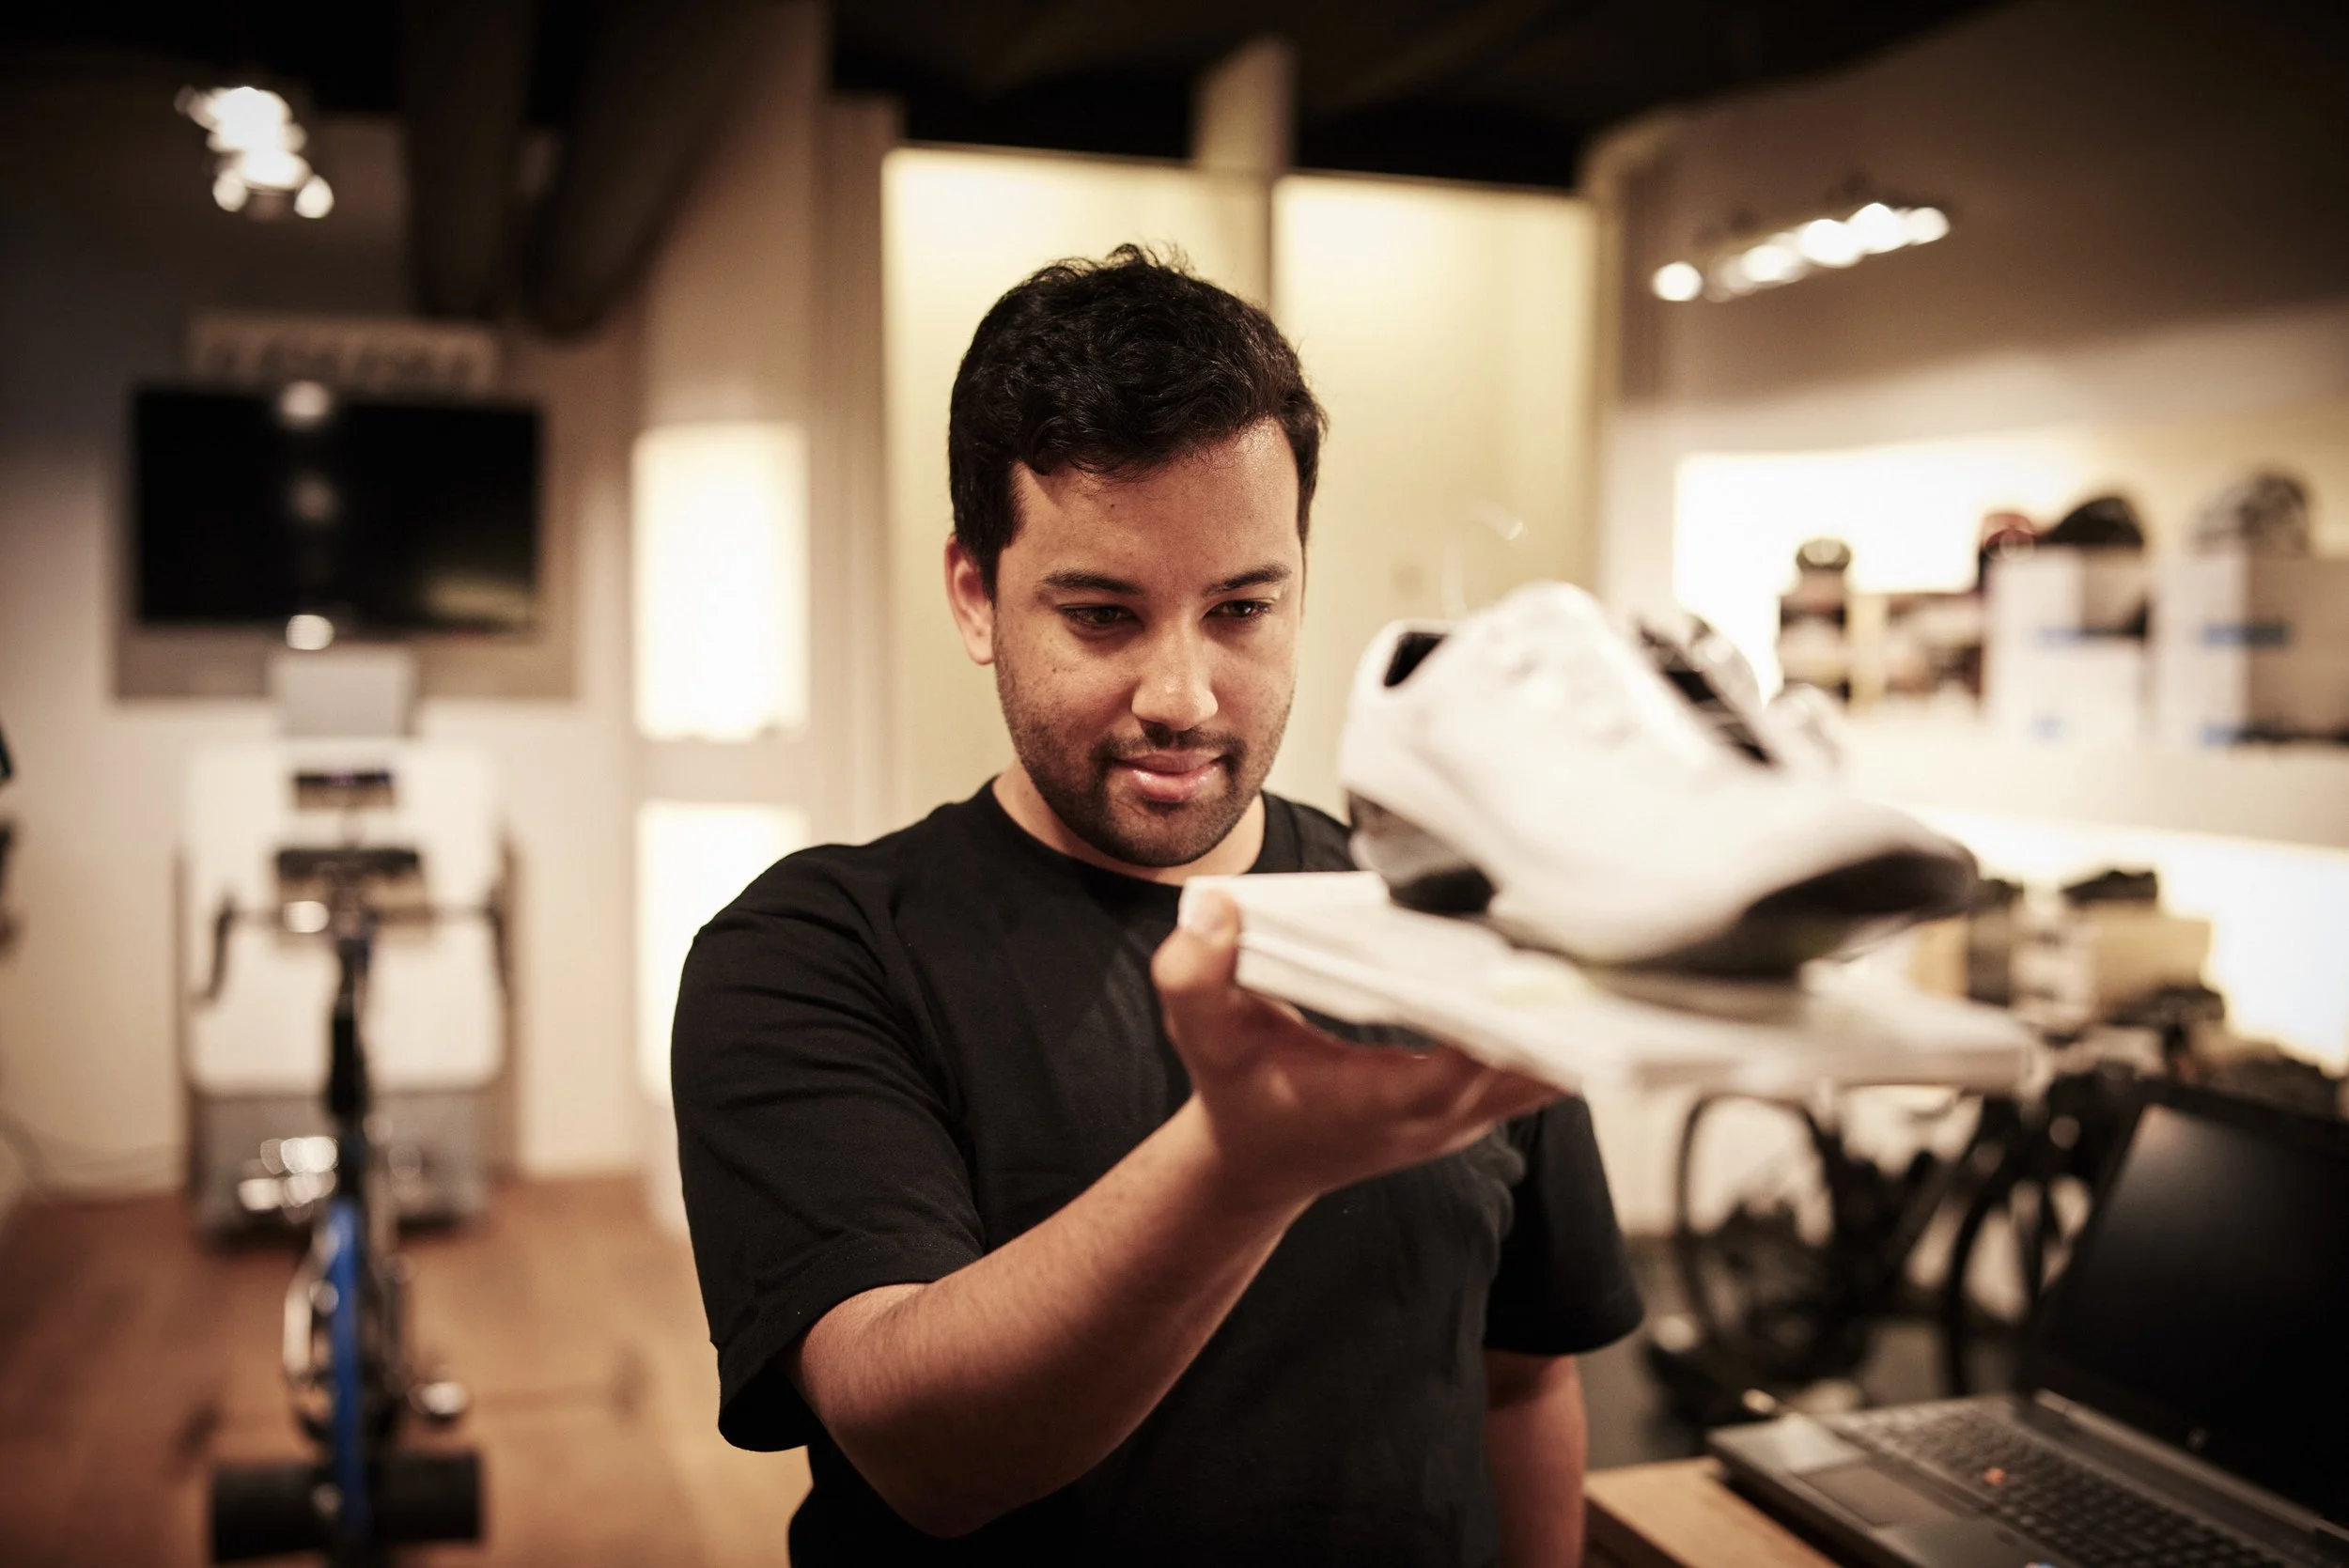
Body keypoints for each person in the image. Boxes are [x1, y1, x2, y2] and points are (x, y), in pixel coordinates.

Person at [672, 246, 1642, 1566]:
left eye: (1242, 608)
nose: (1183, 693)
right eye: (1104, 615)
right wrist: (1246, 1168)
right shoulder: (816, 953)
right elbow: (918, 1457)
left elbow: (1525, 1378)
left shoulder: (1451, 925)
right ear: (978, 594)